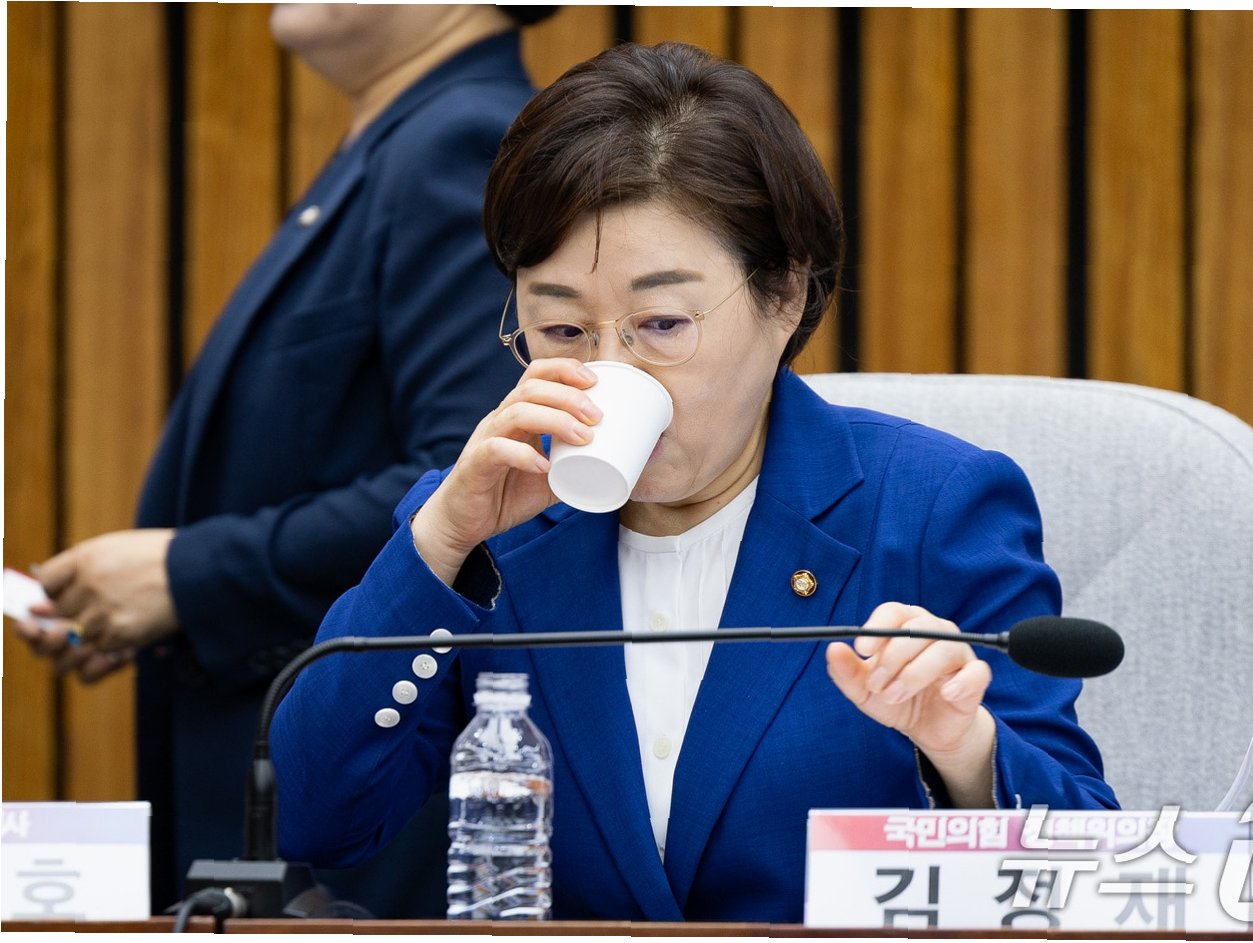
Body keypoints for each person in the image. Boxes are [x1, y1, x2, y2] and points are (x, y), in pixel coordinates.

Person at [271, 41, 1118, 923]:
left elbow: (1088, 869)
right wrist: (437, 546)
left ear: (785, 295)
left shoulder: (933, 505)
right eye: (561, 330)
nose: (609, 370)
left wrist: (964, 746)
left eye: (662, 323)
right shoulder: (489, 525)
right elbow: (315, 819)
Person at [13, 4, 551, 914]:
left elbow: (476, 476)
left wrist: (189, 576)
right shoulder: (396, 138)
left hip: (362, 838)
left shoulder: (461, 140)